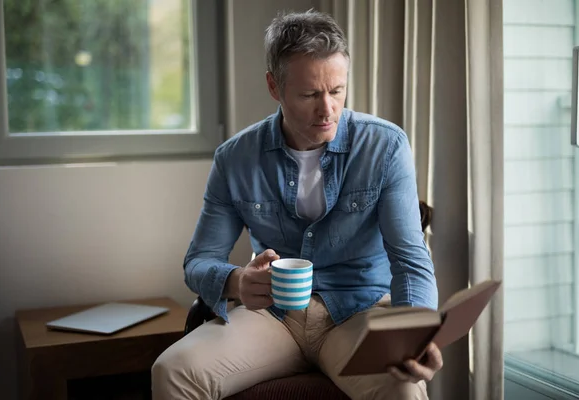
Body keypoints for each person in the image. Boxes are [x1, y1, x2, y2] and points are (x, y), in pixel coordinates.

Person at [152, 9, 442, 400]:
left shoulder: (385, 146)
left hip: (359, 313)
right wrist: (238, 281)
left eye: (337, 90)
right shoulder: (234, 158)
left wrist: (415, 332)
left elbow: (410, 258)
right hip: (273, 318)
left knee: (404, 391)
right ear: (275, 87)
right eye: (310, 94)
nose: (328, 109)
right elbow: (199, 261)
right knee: (171, 371)